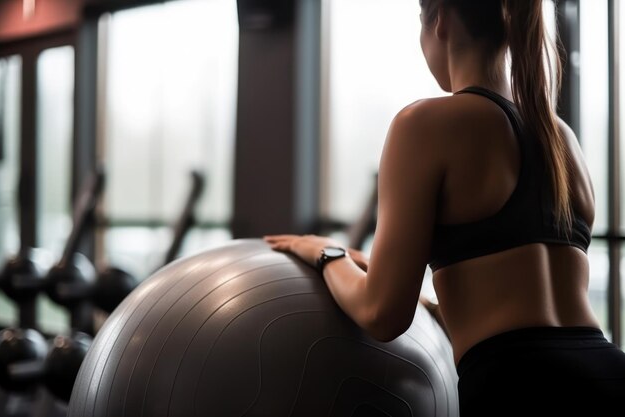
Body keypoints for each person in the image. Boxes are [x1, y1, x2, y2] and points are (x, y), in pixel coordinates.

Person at [264, 0, 625, 415]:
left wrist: (327, 254)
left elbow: (380, 313)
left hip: (520, 387)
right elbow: (525, 305)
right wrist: (419, 297)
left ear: (441, 22)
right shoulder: (560, 137)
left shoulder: (423, 124)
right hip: (609, 371)